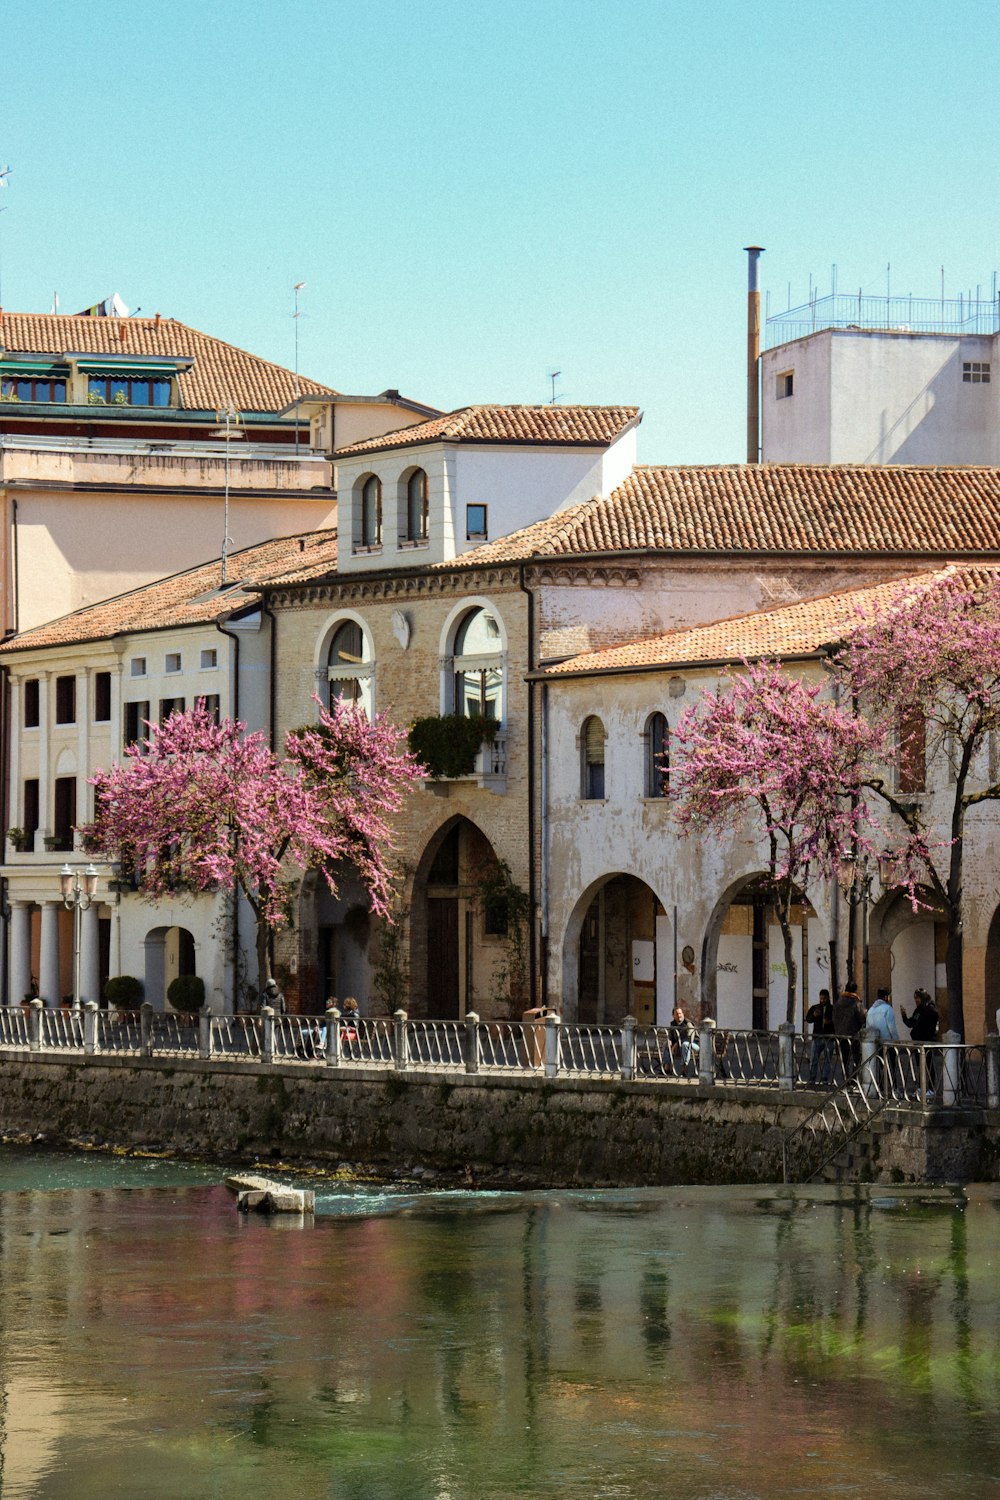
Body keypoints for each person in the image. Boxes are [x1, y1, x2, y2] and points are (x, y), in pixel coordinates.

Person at [900, 987, 940, 1098]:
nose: (916, 1000)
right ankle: (921, 1088)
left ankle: (931, 1089)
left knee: (929, 1065)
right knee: (920, 1066)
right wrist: (904, 1016)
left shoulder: (931, 1010)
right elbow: (911, 1023)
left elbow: (931, 1028)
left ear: (923, 998)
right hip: (917, 1043)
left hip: (926, 1042)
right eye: (915, 998)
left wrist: (927, 1039)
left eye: (917, 998)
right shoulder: (918, 1010)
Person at [866, 986, 900, 1095]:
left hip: (876, 1044)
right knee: (891, 1066)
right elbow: (892, 1027)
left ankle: (880, 1088)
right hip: (888, 1043)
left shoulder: (871, 1010)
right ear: (886, 997)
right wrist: (896, 1041)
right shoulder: (887, 1009)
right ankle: (893, 1088)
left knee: (880, 1066)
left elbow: (868, 1028)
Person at [833, 981, 866, 1078]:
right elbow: (862, 1018)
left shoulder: (838, 1002)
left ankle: (845, 1078)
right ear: (855, 990)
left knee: (844, 1059)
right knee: (857, 1058)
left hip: (840, 1034)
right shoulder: (856, 1002)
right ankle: (854, 1079)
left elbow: (834, 1018)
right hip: (854, 1034)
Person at [804, 987, 835, 1084]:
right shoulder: (815, 1007)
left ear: (828, 998)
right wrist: (814, 1015)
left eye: (824, 998)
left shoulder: (832, 1009)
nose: (822, 1000)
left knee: (828, 1059)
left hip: (828, 1037)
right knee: (814, 1058)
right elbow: (808, 1019)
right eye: (821, 998)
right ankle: (812, 1078)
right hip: (817, 1037)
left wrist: (829, 1022)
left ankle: (824, 1078)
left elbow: (836, 1021)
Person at [666, 1006, 695, 1075]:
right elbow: (670, 1035)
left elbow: (689, 1038)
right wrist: (669, 1041)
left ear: (683, 1014)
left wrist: (676, 1044)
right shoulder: (673, 1024)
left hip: (693, 1044)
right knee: (665, 1045)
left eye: (680, 1013)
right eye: (677, 1014)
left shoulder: (688, 1024)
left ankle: (684, 1068)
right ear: (673, 1015)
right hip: (679, 1046)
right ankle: (666, 1068)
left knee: (685, 1044)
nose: (679, 1015)